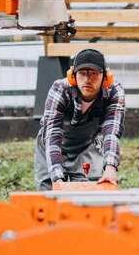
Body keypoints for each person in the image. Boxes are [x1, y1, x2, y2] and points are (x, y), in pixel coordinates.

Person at [34, 48, 125, 191]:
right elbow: (52, 134)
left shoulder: (114, 92)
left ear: (105, 77)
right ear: (73, 76)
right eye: (82, 73)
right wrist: (57, 179)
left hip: (86, 146)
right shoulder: (60, 90)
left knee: (89, 191)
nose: (87, 79)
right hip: (51, 146)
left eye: (94, 74)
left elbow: (112, 132)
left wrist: (110, 168)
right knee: (48, 193)